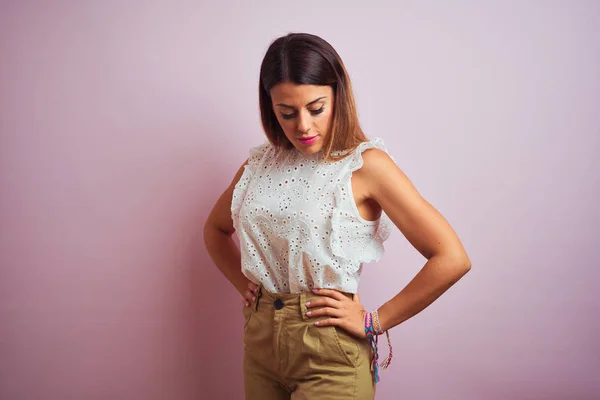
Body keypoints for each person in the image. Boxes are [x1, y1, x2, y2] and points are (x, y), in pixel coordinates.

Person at [204, 32, 471, 400]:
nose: (303, 126)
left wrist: (376, 321)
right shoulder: (260, 163)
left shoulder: (365, 165)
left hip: (328, 354)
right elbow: (215, 230)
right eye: (287, 112)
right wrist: (243, 284)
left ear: (337, 97)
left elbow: (452, 258)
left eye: (316, 108)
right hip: (261, 345)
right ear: (270, 108)